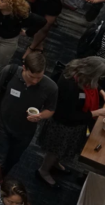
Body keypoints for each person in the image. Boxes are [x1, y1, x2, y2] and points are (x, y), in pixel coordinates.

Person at [36, 56, 105, 185]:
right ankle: (43, 170)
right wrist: (97, 113)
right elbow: (69, 115)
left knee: (62, 149)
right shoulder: (70, 86)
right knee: (55, 149)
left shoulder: (80, 71)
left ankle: (55, 163)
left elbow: (96, 83)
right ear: (91, 72)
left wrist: (101, 92)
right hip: (63, 124)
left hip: (74, 124)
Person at [0, 51, 58, 174]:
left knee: (12, 160)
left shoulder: (51, 87)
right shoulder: (10, 72)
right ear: (24, 68)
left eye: (39, 77)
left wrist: (40, 116)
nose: (35, 81)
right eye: (32, 76)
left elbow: (50, 109)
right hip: (2, 125)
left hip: (25, 132)